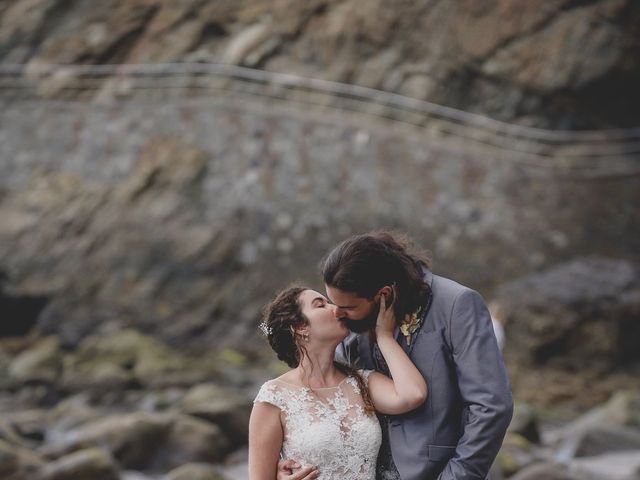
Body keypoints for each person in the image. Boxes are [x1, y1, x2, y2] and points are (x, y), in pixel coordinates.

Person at [278, 231, 513, 480]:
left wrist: (457, 476)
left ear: (384, 294)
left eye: (348, 307)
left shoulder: (456, 304)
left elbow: (491, 407)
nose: (338, 313)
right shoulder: (350, 325)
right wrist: (287, 465)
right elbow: (328, 403)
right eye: (333, 303)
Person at [249, 285, 427, 480]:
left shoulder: (362, 382)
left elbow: (413, 394)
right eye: (321, 305)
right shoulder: (273, 397)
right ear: (300, 327)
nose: (337, 309)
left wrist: (384, 337)